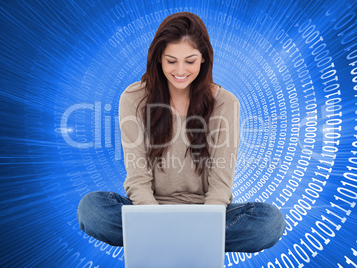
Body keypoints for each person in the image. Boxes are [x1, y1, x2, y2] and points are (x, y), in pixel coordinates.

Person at [77, 11, 285, 253]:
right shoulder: (134, 98)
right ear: (158, 59)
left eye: (190, 60)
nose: (180, 70)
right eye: (171, 60)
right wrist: (153, 220)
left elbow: (220, 184)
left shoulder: (226, 103)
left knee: (269, 222)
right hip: (148, 211)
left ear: (204, 59)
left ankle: (164, 244)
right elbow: (137, 177)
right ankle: (190, 245)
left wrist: (206, 224)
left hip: (207, 213)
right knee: (91, 209)